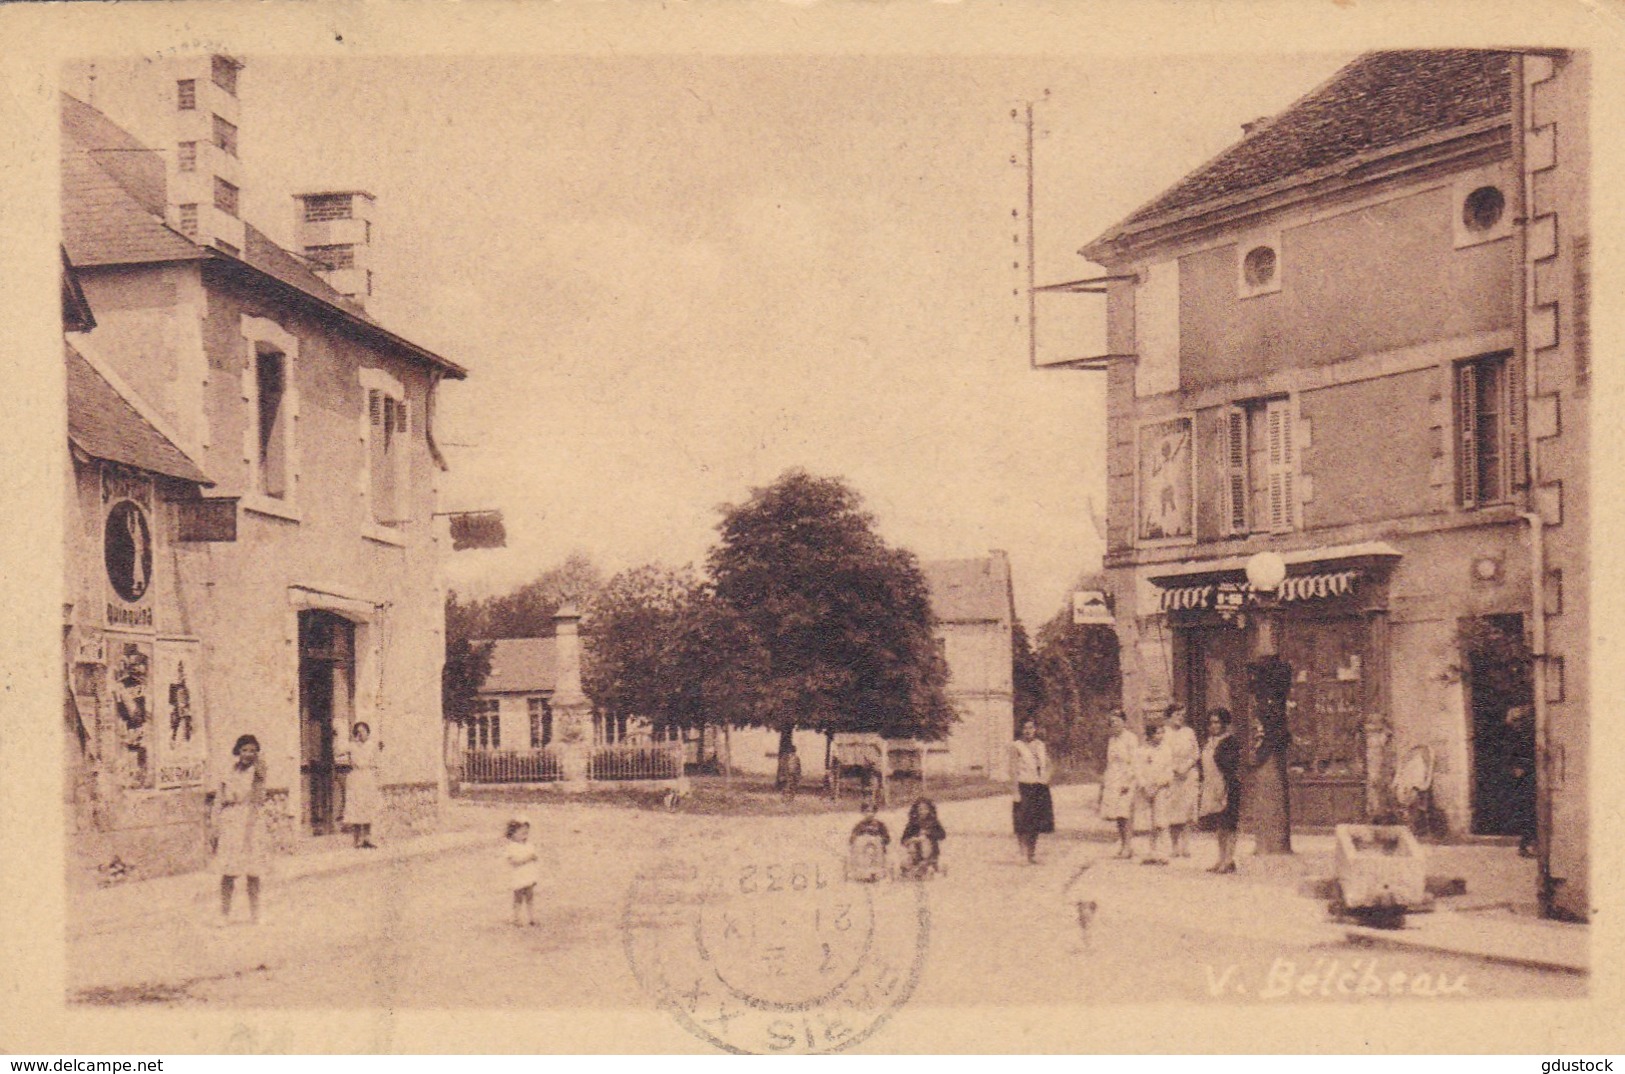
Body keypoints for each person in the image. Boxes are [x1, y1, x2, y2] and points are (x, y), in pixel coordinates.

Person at [210, 733, 268, 924]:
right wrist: (214, 825)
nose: (248, 754)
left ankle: (256, 914)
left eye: (252, 750)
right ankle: (224, 914)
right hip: (230, 821)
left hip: (251, 821)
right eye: (244, 750)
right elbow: (219, 799)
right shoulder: (229, 772)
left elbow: (259, 796)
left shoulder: (258, 772)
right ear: (238, 751)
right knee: (228, 870)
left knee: (253, 871)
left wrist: (258, 762)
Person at [1198, 708, 1242, 874]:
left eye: (1217, 722)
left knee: (1229, 823)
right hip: (1211, 785)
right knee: (1219, 825)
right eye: (1210, 722)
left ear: (1224, 723)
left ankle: (1229, 859)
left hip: (1227, 786)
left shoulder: (1230, 742)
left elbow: (1231, 767)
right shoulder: (1209, 742)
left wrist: (1224, 788)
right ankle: (1221, 857)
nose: (1213, 726)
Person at [1010, 719, 1054, 864]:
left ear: (1035, 729)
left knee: (1036, 821)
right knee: (1022, 821)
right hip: (1024, 785)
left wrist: (1046, 777)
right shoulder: (1017, 746)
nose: (1028, 731)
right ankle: (1023, 854)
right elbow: (1013, 770)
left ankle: (1031, 853)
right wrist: (1015, 791)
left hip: (1039, 787)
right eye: (1025, 728)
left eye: (1031, 728)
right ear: (1021, 730)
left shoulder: (1041, 745)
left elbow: (1049, 764)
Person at [1133, 720, 1174, 865]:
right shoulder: (1140, 751)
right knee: (1147, 822)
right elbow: (1137, 770)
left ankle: (1163, 854)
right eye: (1158, 732)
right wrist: (1144, 786)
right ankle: (1149, 853)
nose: (1161, 735)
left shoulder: (1166, 750)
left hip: (1161, 789)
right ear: (1150, 735)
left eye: (1163, 732)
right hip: (1145, 790)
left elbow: (1169, 771)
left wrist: (1158, 785)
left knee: (1160, 821)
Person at [1098, 709, 1137, 858]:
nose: (1114, 725)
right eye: (1112, 722)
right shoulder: (1112, 740)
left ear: (1124, 722)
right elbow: (1110, 762)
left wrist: (1127, 781)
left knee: (1125, 812)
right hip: (1113, 777)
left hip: (1127, 777)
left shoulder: (1130, 738)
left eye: (1117, 721)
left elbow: (1134, 761)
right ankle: (1123, 845)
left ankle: (1128, 846)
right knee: (1117, 814)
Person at [1164, 704, 1201, 858]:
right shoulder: (1164, 733)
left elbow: (1196, 753)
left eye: (1182, 715)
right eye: (1177, 714)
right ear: (1170, 716)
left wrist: (1186, 767)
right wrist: (1174, 768)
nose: (1180, 717)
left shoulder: (1189, 732)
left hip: (1188, 774)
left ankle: (1186, 845)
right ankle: (1174, 845)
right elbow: (1162, 754)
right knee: (1173, 810)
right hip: (1171, 774)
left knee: (1187, 810)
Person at [342, 721, 383, 849]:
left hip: (368, 778)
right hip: (356, 778)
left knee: (368, 807)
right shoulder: (352, 746)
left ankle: (367, 838)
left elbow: (377, 762)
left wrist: (377, 779)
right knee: (356, 807)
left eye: (363, 731)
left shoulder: (372, 746)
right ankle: (357, 839)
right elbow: (338, 751)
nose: (361, 734)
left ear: (368, 732)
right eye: (358, 732)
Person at [505, 817, 540, 926]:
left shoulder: (529, 845)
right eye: (521, 832)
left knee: (530, 897)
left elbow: (534, 856)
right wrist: (528, 858)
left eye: (526, 832)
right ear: (513, 834)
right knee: (518, 898)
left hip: (529, 874)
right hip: (519, 876)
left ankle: (531, 917)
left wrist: (534, 858)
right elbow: (513, 861)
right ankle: (516, 918)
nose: (524, 835)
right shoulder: (511, 847)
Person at [899, 797, 946, 879]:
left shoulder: (934, 823)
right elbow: (904, 839)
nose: (923, 812)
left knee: (925, 842)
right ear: (916, 811)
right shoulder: (912, 824)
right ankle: (915, 866)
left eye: (925, 809)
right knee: (905, 861)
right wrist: (911, 840)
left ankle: (926, 866)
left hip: (930, 852)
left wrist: (929, 834)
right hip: (915, 852)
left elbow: (942, 835)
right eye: (920, 809)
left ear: (930, 810)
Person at [847, 797, 891, 882]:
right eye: (867, 811)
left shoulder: (880, 825)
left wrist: (880, 839)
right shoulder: (859, 825)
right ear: (863, 812)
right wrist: (860, 838)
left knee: (875, 849)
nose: (870, 814)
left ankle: (876, 872)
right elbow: (852, 839)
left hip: (876, 850)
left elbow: (887, 839)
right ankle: (863, 873)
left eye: (872, 811)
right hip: (863, 850)